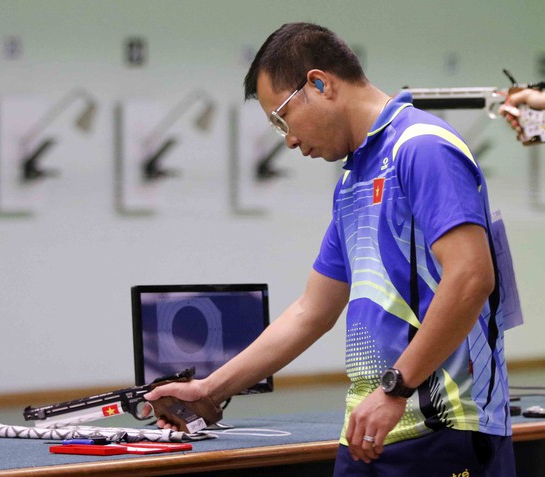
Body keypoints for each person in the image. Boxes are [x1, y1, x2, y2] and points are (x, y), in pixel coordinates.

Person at [145, 23, 515, 476]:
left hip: (445, 428)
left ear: (319, 84)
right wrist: (209, 388)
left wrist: (396, 389)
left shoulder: (422, 148)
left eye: (282, 117)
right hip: (370, 430)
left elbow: (472, 276)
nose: (289, 139)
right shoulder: (351, 180)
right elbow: (311, 311)